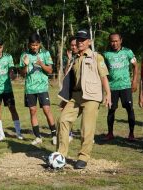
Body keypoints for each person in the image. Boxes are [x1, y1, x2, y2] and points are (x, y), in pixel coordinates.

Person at [57, 29, 111, 169]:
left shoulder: (96, 57)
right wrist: (64, 99)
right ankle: (61, 154)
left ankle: (83, 157)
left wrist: (108, 94)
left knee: (86, 128)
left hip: (92, 97)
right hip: (75, 97)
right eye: (78, 39)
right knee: (62, 119)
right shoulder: (75, 58)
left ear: (89, 42)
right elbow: (71, 81)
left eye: (83, 39)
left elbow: (104, 76)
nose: (80, 42)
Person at [19, 33, 57, 145]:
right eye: (32, 45)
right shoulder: (24, 55)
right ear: (29, 45)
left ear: (39, 44)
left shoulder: (45, 53)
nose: (34, 47)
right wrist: (25, 65)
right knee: (32, 111)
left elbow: (50, 70)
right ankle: (38, 137)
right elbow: (22, 74)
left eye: (36, 45)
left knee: (46, 110)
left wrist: (41, 64)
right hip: (30, 89)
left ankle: (54, 135)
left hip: (42, 88)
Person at [103, 32, 138, 141]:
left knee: (129, 109)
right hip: (112, 87)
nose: (114, 43)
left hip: (125, 86)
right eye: (112, 41)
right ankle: (110, 133)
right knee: (111, 110)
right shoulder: (106, 54)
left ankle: (131, 134)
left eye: (116, 41)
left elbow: (135, 66)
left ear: (121, 40)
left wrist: (134, 81)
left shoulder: (128, 52)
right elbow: (102, 70)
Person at [58, 36, 79, 142]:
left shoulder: (83, 56)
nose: (74, 47)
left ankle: (87, 136)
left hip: (81, 92)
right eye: (72, 45)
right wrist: (69, 60)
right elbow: (66, 73)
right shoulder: (71, 58)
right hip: (70, 90)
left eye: (76, 45)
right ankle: (69, 133)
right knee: (64, 111)